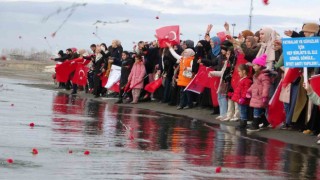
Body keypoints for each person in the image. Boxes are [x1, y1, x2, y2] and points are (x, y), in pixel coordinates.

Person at [246, 54, 271, 132]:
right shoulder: (257, 75)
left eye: (254, 65)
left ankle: (255, 124)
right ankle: (265, 122)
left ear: (259, 66)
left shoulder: (263, 76)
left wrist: (264, 96)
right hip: (256, 95)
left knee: (256, 110)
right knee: (259, 110)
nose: (253, 67)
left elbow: (266, 86)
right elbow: (254, 85)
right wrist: (249, 91)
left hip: (260, 95)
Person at [166, 42, 195, 109]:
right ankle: (182, 104)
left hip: (187, 78)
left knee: (187, 92)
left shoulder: (192, 60)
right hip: (182, 78)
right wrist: (170, 48)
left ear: (190, 53)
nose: (185, 53)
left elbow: (193, 68)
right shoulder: (182, 58)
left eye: (186, 52)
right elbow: (174, 54)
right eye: (185, 52)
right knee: (182, 92)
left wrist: (187, 68)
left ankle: (189, 104)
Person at [232, 64, 252, 129]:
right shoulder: (242, 79)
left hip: (243, 100)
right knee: (241, 111)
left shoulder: (247, 81)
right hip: (239, 99)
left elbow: (246, 91)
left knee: (243, 111)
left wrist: (243, 98)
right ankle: (242, 122)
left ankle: (243, 123)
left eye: (239, 71)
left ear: (244, 71)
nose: (238, 73)